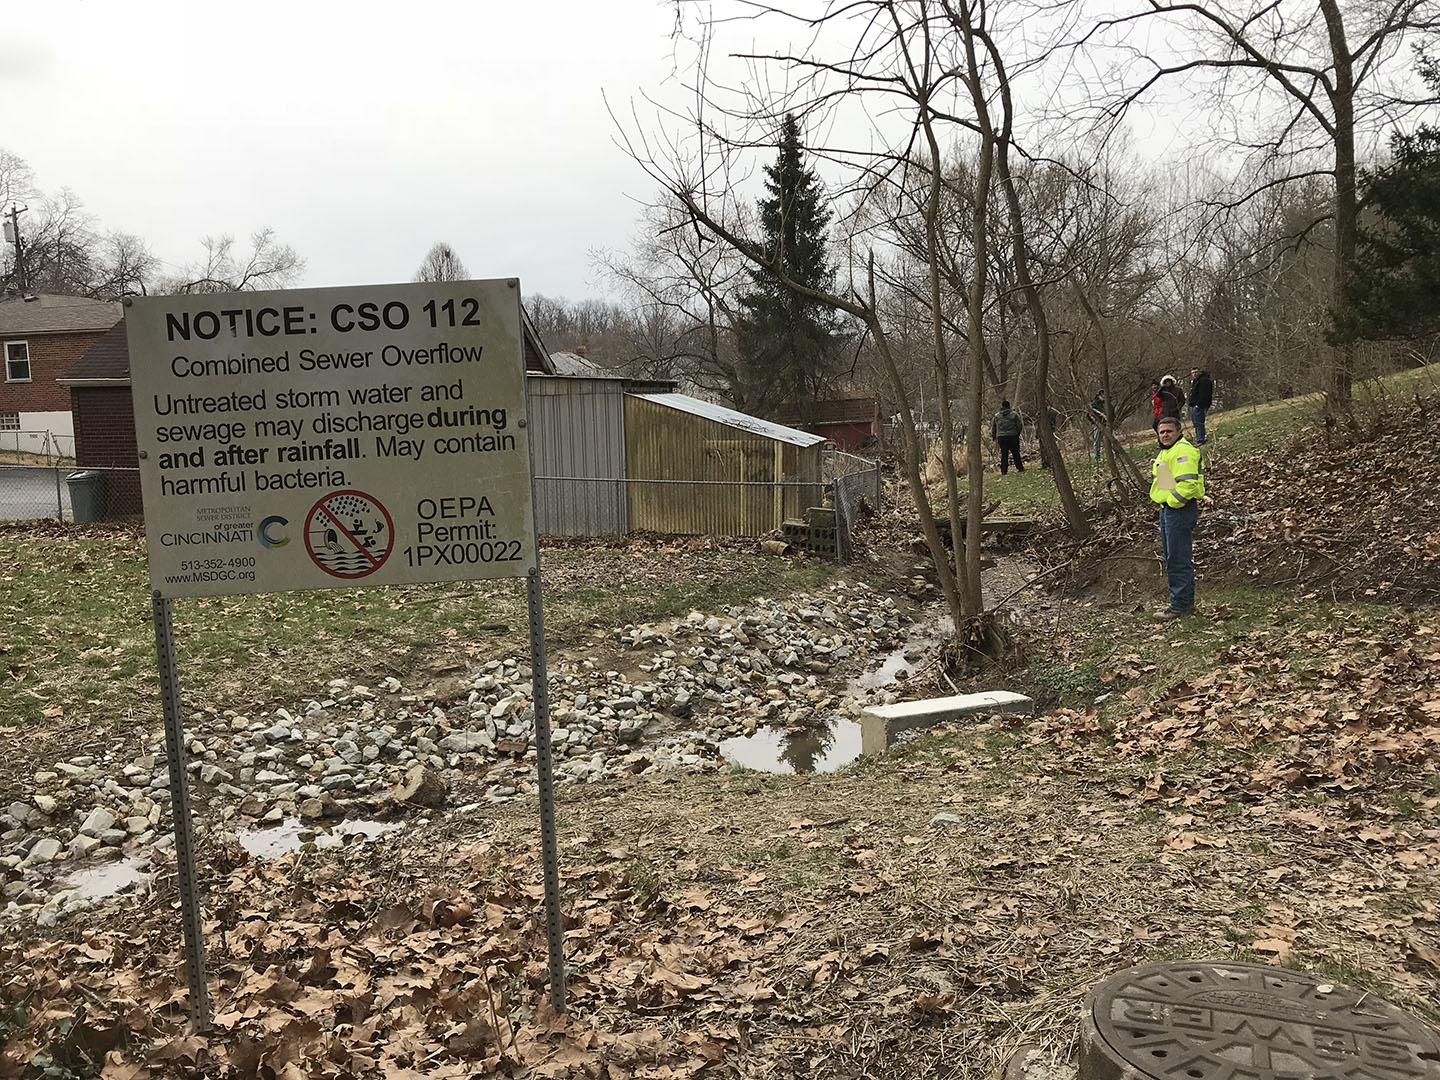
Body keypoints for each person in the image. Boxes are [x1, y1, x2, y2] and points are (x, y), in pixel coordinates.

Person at [1150, 415, 1205, 621]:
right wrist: (1165, 502)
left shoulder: (1183, 451)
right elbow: (1166, 483)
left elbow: (1188, 485)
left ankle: (1179, 606)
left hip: (1179, 510)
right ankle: (1184, 603)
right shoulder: (1167, 452)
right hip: (1168, 509)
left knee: (1178, 558)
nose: (1165, 435)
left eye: (1169, 431)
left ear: (1179, 432)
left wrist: (1173, 503)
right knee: (1173, 557)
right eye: (1161, 432)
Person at [991, 400, 1024, 474]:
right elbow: (1019, 425)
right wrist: (1017, 433)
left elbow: (994, 427)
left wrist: (994, 436)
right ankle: (1020, 468)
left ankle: (1004, 470)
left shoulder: (997, 416)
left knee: (1004, 454)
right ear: (1009, 406)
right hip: (1013, 436)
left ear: (1002, 406)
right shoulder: (1014, 414)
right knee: (1015, 453)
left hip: (1001, 437)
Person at [1189, 367, 1213, 445]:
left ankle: (1201, 439)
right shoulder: (1195, 381)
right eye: (1193, 373)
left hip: (1200, 405)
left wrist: (1199, 404)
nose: (1194, 374)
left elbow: (1204, 394)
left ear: (1199, 372)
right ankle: (1199, 438)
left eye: (1196, 372)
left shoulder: (1204, 381)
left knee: (1199, 422)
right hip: (1194, 405)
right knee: (1195, 423)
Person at [1090, 390, 1106, 462]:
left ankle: (1116, 452)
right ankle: (1097, 457)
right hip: (1098, 424)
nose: (1103, 397)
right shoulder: (1094, 404)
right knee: (1097, 441)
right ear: (1099, 395)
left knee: (1112, 437)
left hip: (1106, 423)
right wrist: (1095, 422)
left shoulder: (1104, 404)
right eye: (1102, 395)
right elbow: (1088, 415)